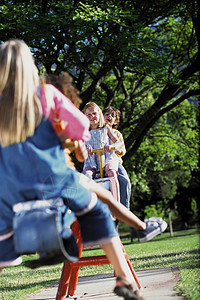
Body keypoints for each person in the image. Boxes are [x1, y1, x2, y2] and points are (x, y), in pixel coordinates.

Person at [0, 40, 167, 300]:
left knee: (4, 243)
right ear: (29, 67)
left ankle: (38, 243)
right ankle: (124, 278)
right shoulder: (46, 95)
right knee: (99, 211)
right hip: (53, 179)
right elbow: (80, 128)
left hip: (9, 189)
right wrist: (66, 137)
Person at [82, 102, 122, 203]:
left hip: (107, 158)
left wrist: (111, 146)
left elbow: (118, 143)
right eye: (89, 115)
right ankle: (88, 204)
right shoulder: (84, 131)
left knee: (111, 172)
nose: (92, 117)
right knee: (86, 176)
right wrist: (85, 150)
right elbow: (80, 148)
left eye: (94, 113)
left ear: (99, 114)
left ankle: (116, 203)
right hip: (91, 161)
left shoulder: (106, 128)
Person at [103, 106, 131, 210]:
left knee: (124, 180)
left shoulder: (116, 134)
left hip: (114, 161)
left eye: (112, 115)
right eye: (106, 114)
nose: (109, 116)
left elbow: (122, 149)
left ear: (115, 121)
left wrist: (114, 148)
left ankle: (124, 209)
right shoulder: (97, 131)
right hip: (98, 161)